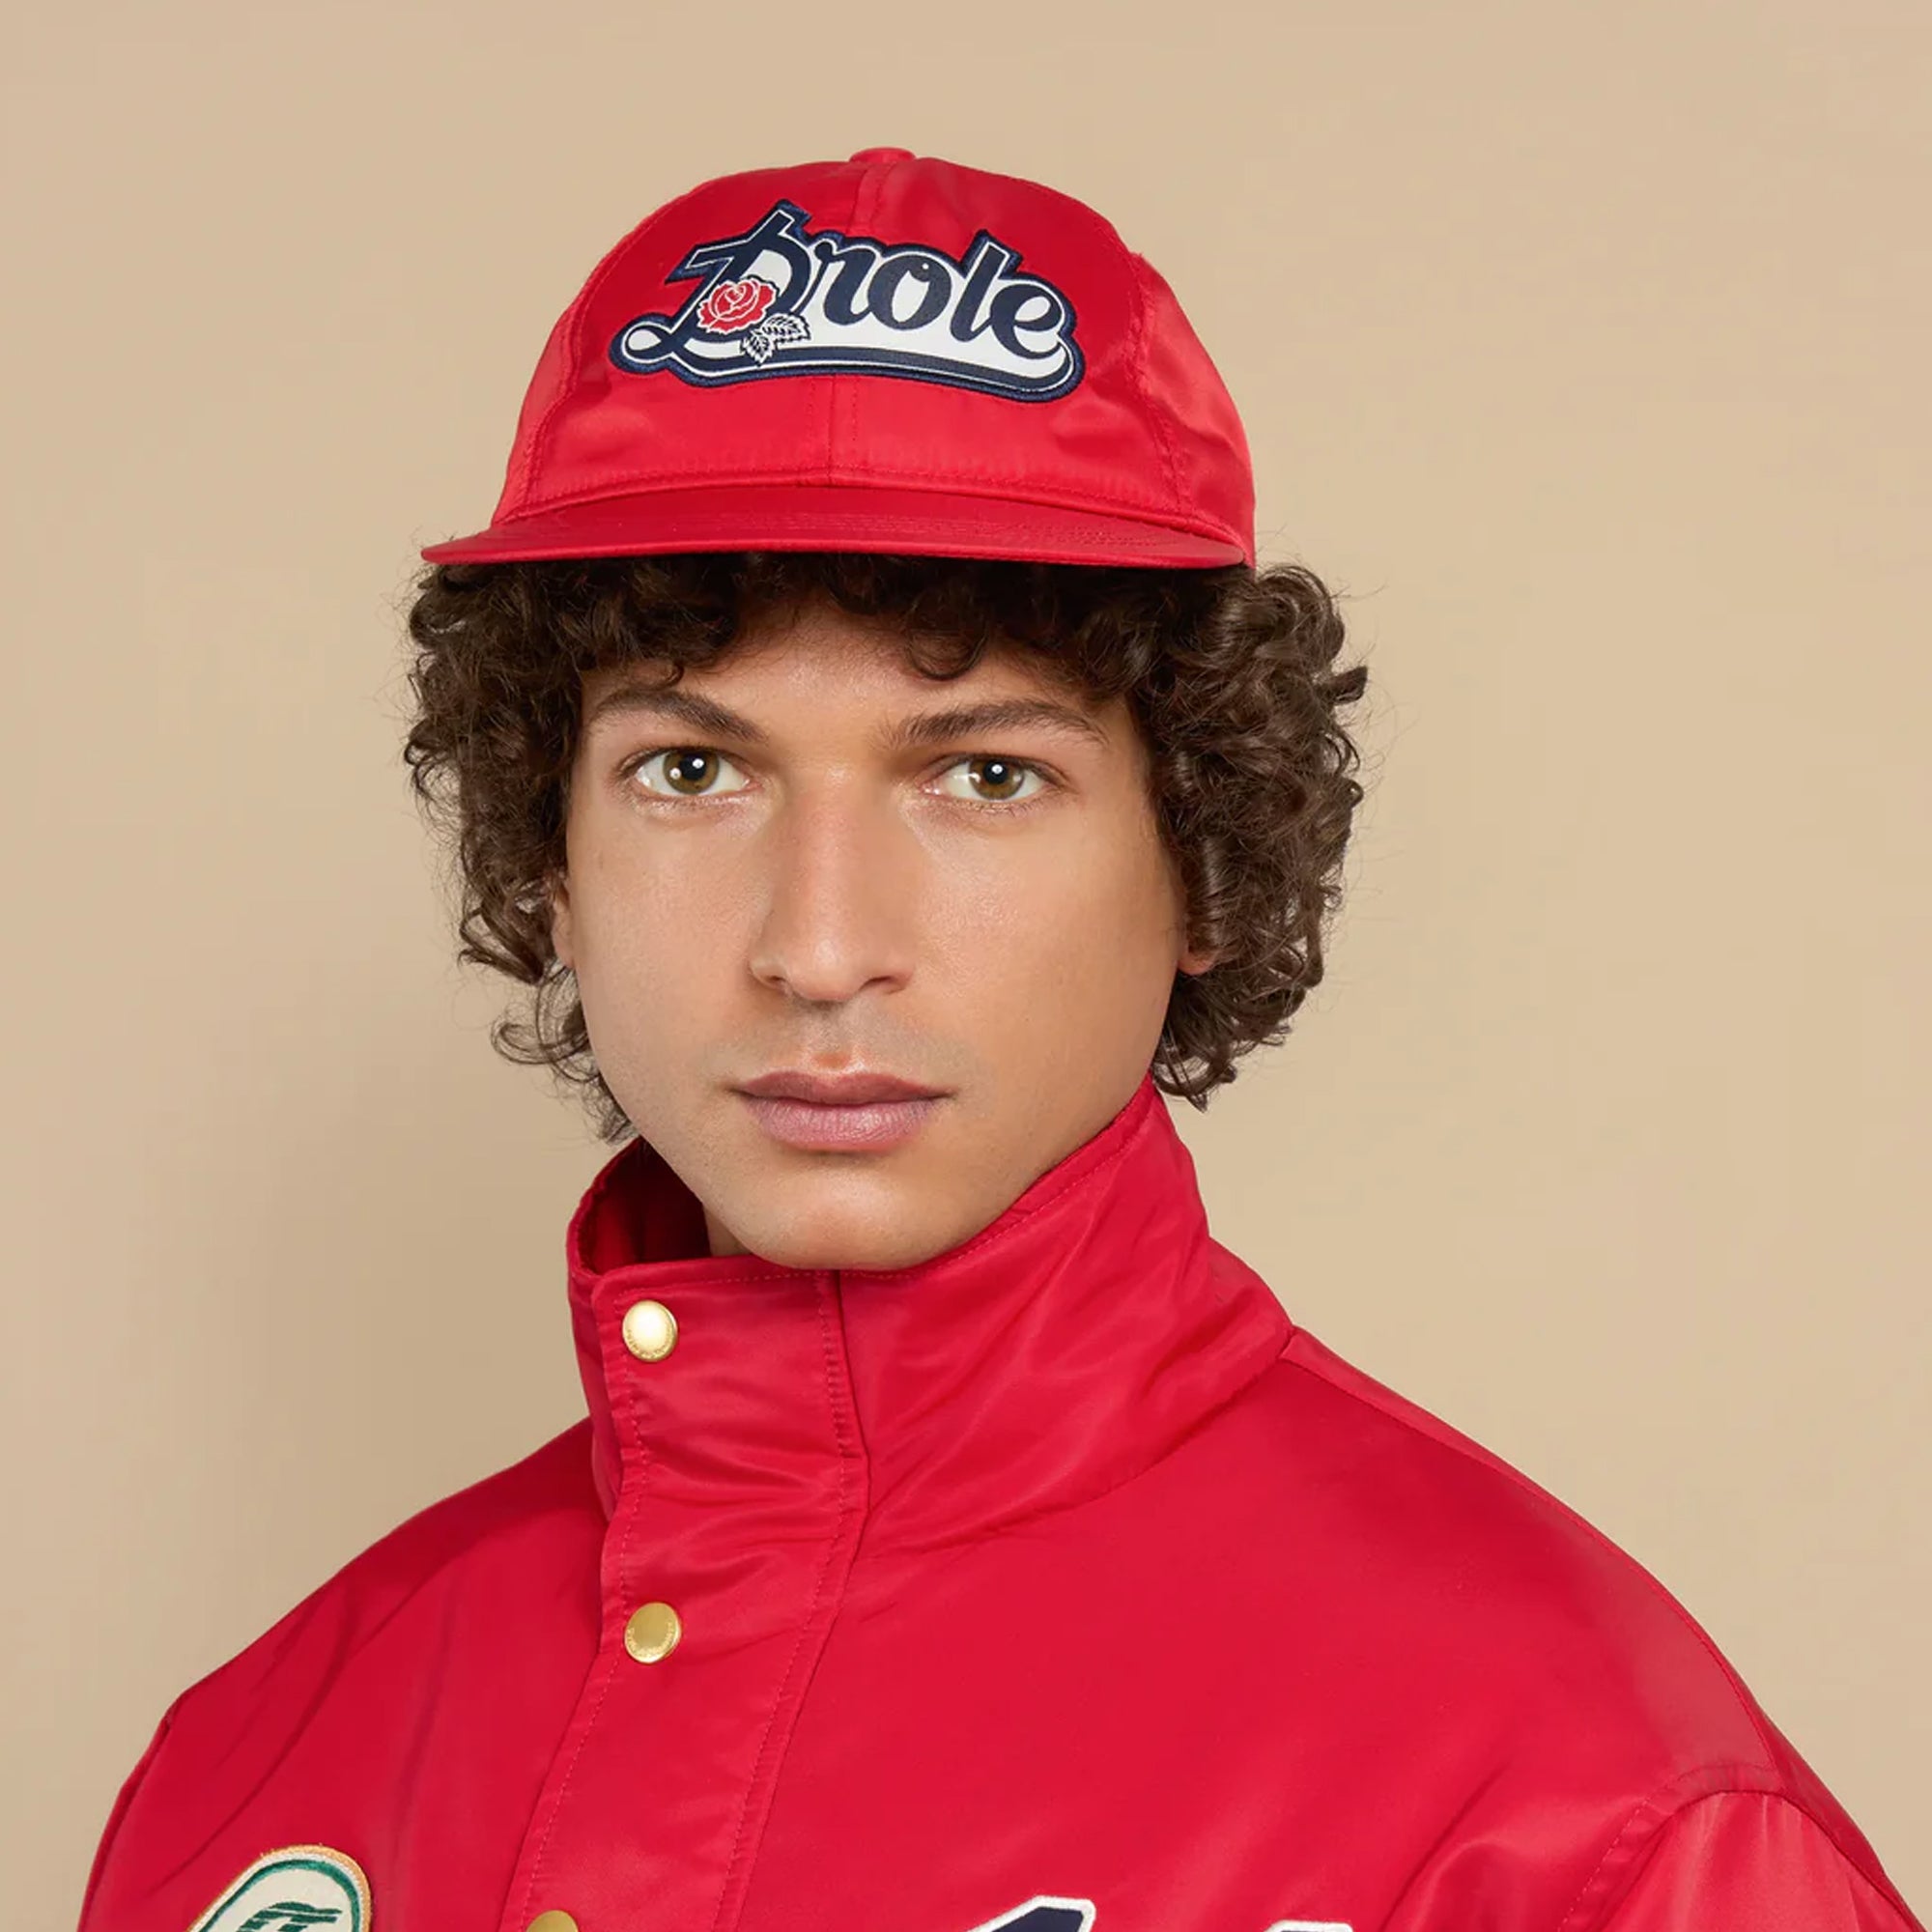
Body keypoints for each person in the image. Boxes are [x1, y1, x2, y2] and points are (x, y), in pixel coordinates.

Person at [77, 146, 1920, 1932]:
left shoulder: (1587, 1819)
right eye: (691, 770)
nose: (819, 950)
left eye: (984, 776)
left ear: (1204, 858)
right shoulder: (264, 1767)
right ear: (548, 860)